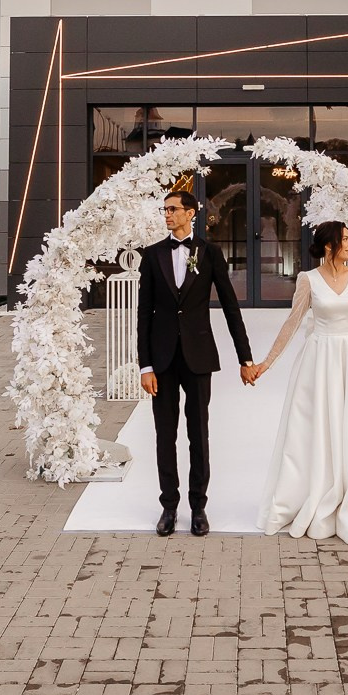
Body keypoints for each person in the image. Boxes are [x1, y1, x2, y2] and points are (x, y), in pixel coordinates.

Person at [248, 220, 348, 545]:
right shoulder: (308, 280)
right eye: (346, 239)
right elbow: (292, 324)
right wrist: (267, 363)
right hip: (319, 362)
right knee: (317, 428)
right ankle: (315, 492)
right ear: (330, 245)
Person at [137, 188, 255, 537]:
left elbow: (231, 308)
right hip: (161, 360)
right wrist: (145, 366)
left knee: (198, 434)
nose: (167, 215)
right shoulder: (152, 255)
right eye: (165, 210)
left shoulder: (210, 253)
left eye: (173, 209)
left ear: (191, 213)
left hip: (199, 356)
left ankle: (199, 507)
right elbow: (144, 314)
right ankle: (169, 508)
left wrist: (244, 357)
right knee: (164, 435)